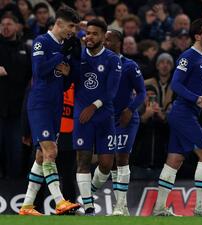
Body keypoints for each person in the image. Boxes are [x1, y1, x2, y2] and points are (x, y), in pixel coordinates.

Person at [152, 18, 202, 216]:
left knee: (174, 160)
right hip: (182, 114)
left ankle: (159, 208)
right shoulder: (188, 56)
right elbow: (176, 84)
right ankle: (201, 206)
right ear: (197, 36)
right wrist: (196, 100)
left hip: (185, 114)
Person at [19, 6, 81, 216]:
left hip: (55, 105)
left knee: (40, 156)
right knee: (51, 152)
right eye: (71, 26)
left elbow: (63, 83)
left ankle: (27, 205)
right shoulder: (41, 42)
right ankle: (60, 201)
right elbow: (39, 71)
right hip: (40, 103)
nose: (73, 30)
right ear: (59, 23)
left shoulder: (65, 45)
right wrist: (60, 56)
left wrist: (69, 70)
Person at [73, 19, 122, 215]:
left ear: (104, 36)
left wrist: (94, 106)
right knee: (83, 160)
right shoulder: (78, 56)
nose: (89, 37)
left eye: (94, 34)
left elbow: (111, 92)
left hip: (104, 116)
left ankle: (89, 192)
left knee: (106, 164)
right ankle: (88, 207)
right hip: (82, 116)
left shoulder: (112, 59)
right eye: (88, 33)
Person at [103, 29, 146, 216]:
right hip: (107, 117)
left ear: (118, 42)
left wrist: (130, 109)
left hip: (126, 117)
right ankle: (122, 207)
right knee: (111, 162)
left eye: (109, 40)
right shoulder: (100, 64)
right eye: (103, 40)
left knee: (122, 158)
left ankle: (120, 205)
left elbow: (142, 93)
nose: (105, 43)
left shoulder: (129, 65)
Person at [0, 13, 31, 179]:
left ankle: (14, 190)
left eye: (9, 23)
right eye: (3, 24)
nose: (5, 27)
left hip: (18, 111)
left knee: (16, 153)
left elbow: (32, 78)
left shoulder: (26, 49)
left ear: (17, 27)